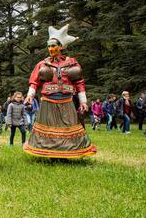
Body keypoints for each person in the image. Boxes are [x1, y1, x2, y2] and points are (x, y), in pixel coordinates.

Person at [23, 24, 97, 158]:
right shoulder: (42, 64)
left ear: (61, 47)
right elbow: (34, 82)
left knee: (68, 128)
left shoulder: (72, 62)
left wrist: (83, 102)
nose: (51, 49)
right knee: (48, 128)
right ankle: (49, 153)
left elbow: (79, 83)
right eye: (49, 46)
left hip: (66, 101)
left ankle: (67, 152)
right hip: (48, 101)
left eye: (54, 46)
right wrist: (30, 96)